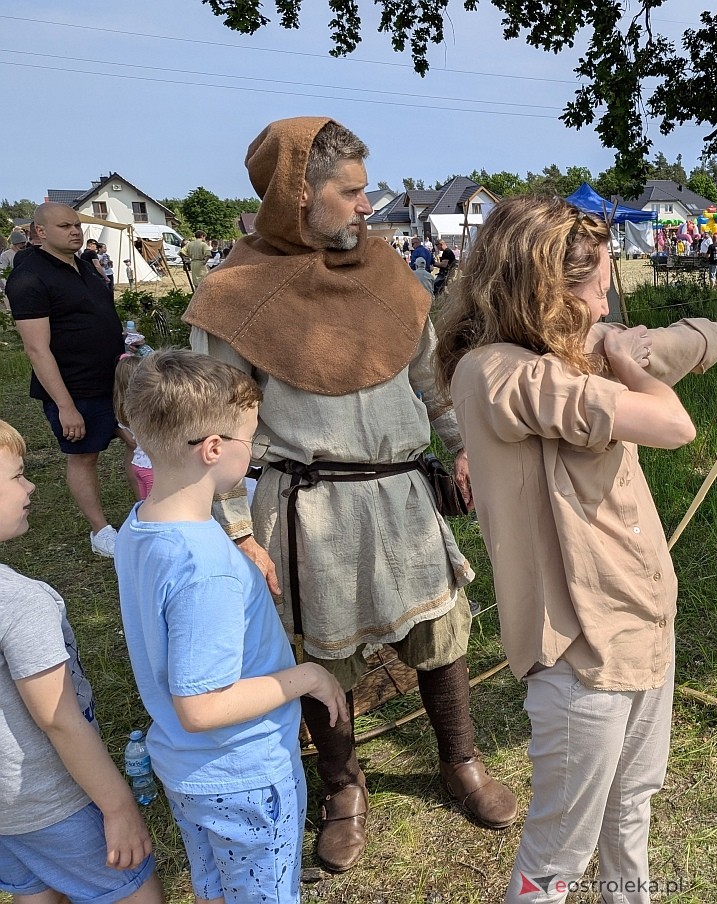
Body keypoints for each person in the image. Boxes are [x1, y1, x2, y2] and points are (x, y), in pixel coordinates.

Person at [435, 196, 717, 904]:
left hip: (642, 621)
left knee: (631, 803)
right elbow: (672, 423)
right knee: (555, 856)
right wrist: (619, 355)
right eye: (597, 283)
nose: (607, 296)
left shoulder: (575, 354)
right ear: (546, 288)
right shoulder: (497, 374)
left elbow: (678, 342)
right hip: (579, 652)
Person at [182, 117, 517, 874]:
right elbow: (215, 424)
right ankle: (342, 786)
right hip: (307, 507)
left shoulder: (390, 274)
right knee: (320, 656)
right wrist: (237, 529)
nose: (369, 205)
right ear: (299, 196)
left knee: (440, 630)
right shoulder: (235, 295)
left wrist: (460, 448)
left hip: (401, 494)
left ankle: (459, 761)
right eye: (352, 191)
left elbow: (430, 382)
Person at [114, 350, 347, 904]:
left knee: (216, 889)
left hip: (187, 769)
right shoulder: (205, 569)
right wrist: (307, 677)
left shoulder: (139, 525)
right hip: (242, 773)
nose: (255, 450)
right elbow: (203, 706)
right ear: (214, 448)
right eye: (250, 440)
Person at [0, 417, 164, 904]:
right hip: (50, 800)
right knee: (136, 892)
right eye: (15, 476)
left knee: (35, 889)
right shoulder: (20, 603)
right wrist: (117, 808)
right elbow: (60, 720)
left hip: (6, 814)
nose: (31, 485)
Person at [6, 203, 126, 557]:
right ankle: (100, 530)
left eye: (77, 225)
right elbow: (37, 348)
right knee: (85, 456)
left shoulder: (86, 265)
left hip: (116, 380)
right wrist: (65, 407)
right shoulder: (29, 277)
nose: (76, 231)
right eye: (65, 226)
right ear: (40, 232)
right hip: (76, 387)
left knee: (143, 443)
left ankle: (155, 514)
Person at [113, 355, 154, 500]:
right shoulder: (147, 411)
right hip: (152, 466)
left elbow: (131, 439)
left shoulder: (122, 410)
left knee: (144, 503)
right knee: (156, 506)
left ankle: (139, 521)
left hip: (137, 464)